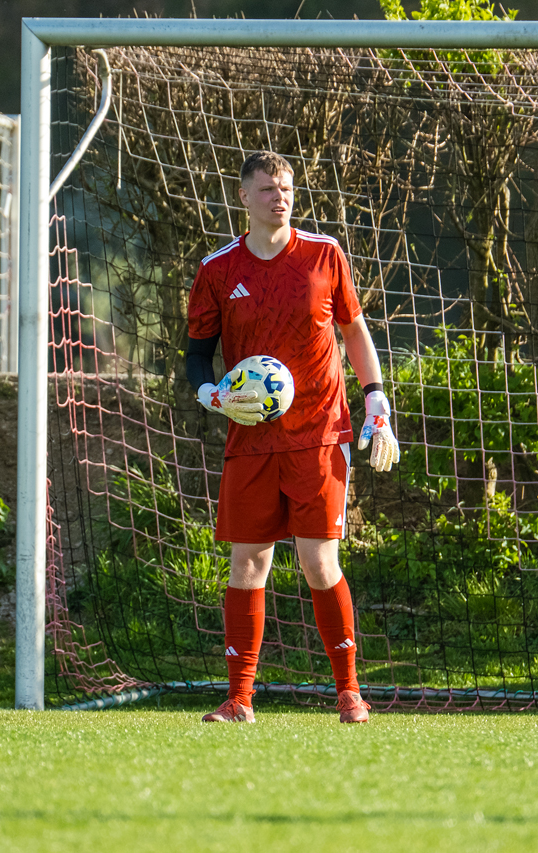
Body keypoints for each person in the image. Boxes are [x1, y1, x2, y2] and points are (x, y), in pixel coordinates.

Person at [186, 150, 400, 724]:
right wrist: (210, 395)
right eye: (266, 189)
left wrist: (376, 399)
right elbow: (197, 355)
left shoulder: (324, 254)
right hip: (251, 439)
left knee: (318, 562)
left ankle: (350, 693)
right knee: (246, 565)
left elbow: (354, 331)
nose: (279, 197)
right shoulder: (218, 269)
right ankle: (239, 700)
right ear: (243, 197)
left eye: (285, 188)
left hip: (319, 433)